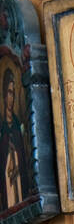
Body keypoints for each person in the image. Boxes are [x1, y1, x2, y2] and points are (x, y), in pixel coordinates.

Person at [0, 67, 31, 212]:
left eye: (13, 93)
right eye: (9, 93)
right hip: (7, 184)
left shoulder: (18, 125)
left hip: (20, 181)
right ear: (4, 95)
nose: (11, 99)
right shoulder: (2, 128)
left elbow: (24, 155)